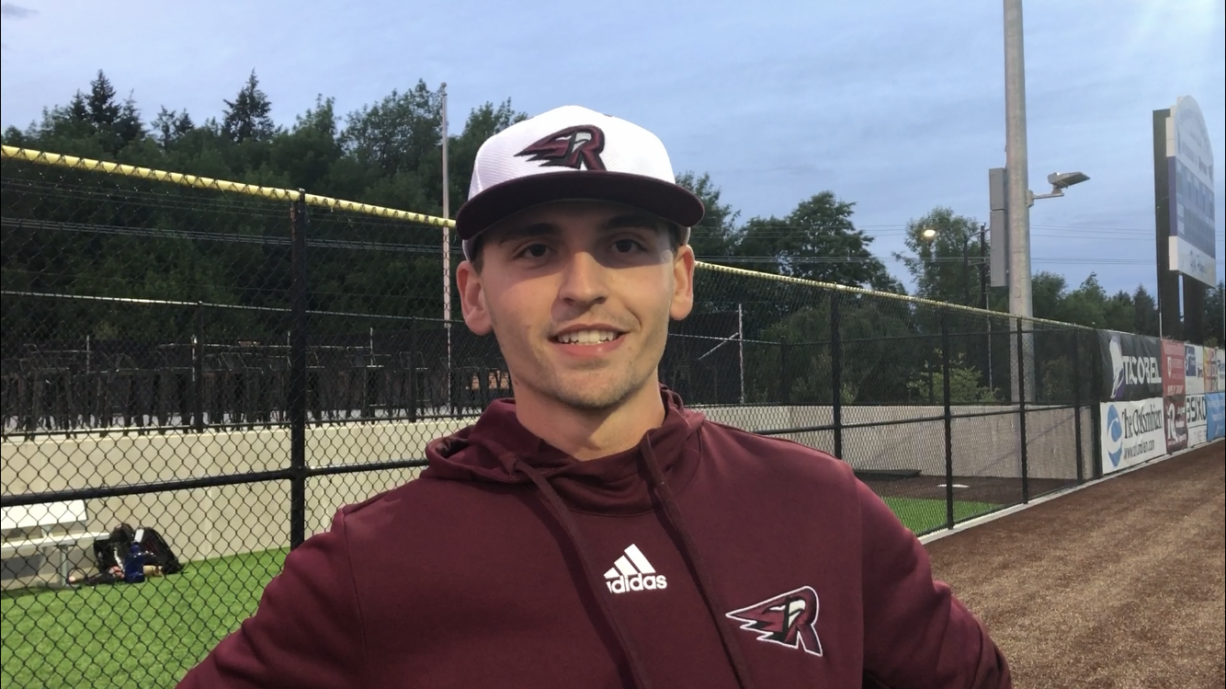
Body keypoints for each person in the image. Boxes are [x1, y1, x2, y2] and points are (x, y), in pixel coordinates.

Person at [178, 105, 1011, 688]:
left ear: (678, 280)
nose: (583, 286)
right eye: (537, 249)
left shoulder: (817, 503)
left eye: (622, 244)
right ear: (473, 294)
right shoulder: (371, 565)